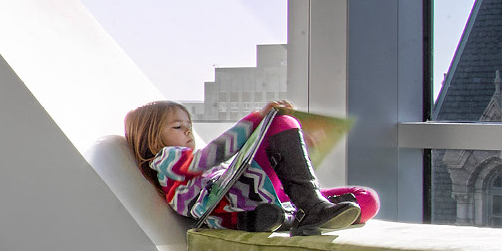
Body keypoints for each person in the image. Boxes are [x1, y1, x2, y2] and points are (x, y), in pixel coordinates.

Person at [125, 100, 373, 235]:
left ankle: (305, 211)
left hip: (248, 200)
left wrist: (292, 146)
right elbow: (209, 157)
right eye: (177, 127)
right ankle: (312, 208)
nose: (188, 130)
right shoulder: (167, 159)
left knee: (367, 199)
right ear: (152, 139)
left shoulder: (185, 162)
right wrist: (256, 118)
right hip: (227, 200)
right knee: (283, 121)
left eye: (189, 124)